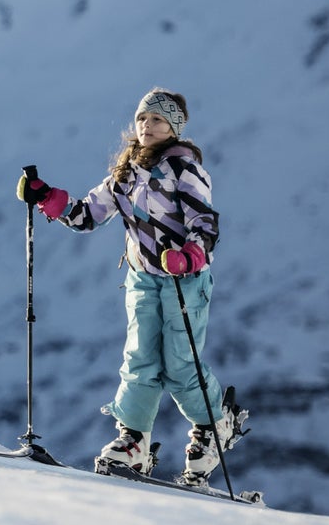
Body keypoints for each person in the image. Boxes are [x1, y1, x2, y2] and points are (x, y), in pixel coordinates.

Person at [17, 88, 249, 485]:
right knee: (140, 357)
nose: (147, 126)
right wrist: (47, 199)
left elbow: (204, 222)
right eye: (142, 118)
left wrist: (190, 255)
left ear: (174, 127)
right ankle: (134, 440)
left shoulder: (184, 168)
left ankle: (215, 427)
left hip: (184, 281)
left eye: (157, 120)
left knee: (179, 364)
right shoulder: (126, 173)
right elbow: (88, 215)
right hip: (143, 279)